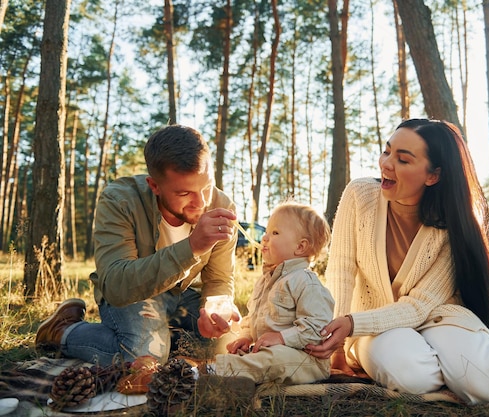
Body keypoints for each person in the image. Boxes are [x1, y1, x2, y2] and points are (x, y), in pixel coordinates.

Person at [306, 118, 489, 404]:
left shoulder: (452, 226)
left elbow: (420, 305)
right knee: (410, 376)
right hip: (372, 325)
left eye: (403, 159)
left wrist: (351, 324)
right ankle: (453, 365)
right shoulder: (359, 195)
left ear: (433, 175)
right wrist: (339, 345)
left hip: (436, 317)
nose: (386, 163)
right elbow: (342, 271)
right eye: (387, 151)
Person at [36, 125, 240, 365]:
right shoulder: (120, 200)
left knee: (230, 342)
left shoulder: (222, 206)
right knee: (145, 357)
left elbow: (219, 280)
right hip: (132, 295)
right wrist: (192, 247)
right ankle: (64, 331)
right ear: (154, 185)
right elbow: (116, 284)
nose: (201, 202)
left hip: (182, 295)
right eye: (185, 193)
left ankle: (163, 335)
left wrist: (213, 310)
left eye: (207, 187)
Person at [210, 200, 334, 385]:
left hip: (305, 360)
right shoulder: (265, 281)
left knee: (273, 359)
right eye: (266, 232)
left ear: (300, 247)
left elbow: (318, 329)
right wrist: (246, 336)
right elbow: (255, 316)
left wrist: (282, 338)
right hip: (269, 351)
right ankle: (233, 377)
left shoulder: (305, 282)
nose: (265, 238)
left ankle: (213, 372)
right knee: (245, 349)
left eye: (275, 233)